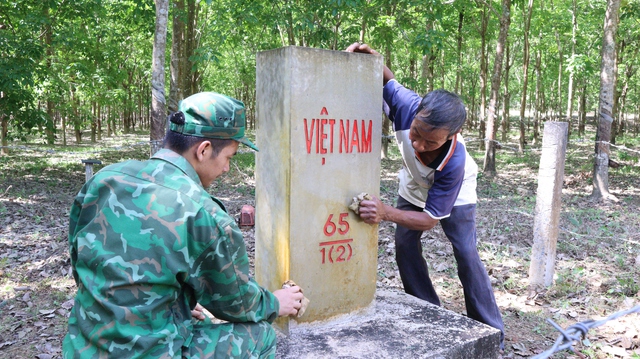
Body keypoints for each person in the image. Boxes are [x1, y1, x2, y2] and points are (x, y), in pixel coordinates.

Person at [63, 92, 304, 358]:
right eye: (230, 157)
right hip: (152, 352)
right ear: (203, 150)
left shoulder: (104, 179)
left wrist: (170, 306)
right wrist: (275, 302)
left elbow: (82, 265)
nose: (226, 168)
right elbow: (236, 304)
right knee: (261, 336)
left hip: (83, 346)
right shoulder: (204, 213)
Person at [346, 43, 505, 348]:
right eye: (415, 133)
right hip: (413, 182)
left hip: (454, 194)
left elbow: (430, 219)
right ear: (417, 114)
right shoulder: (408, 106)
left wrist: (385, 212)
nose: (418, 144)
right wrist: (371, 58)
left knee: (465, 252)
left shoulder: (454, 163)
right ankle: (426, 307)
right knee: (404, 243)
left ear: (450, 136)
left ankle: (490, 329)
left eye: (430, 142)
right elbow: (389, 81)